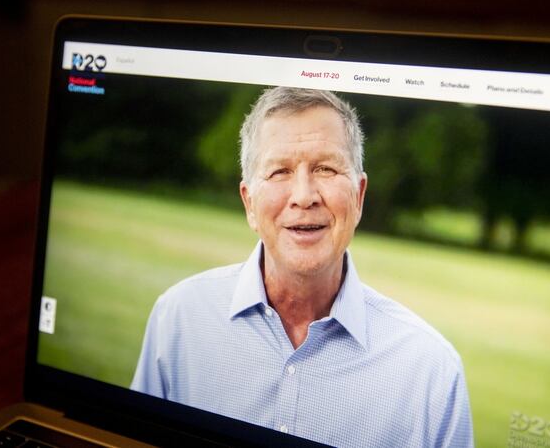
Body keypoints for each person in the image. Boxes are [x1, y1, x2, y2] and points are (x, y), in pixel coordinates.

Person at [131, 87, 473, 447]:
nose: (304, 196)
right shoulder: (179, 318)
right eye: (279, 171)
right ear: (249, 202)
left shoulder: (432, 371)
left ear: (358, 196)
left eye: (326, 168)